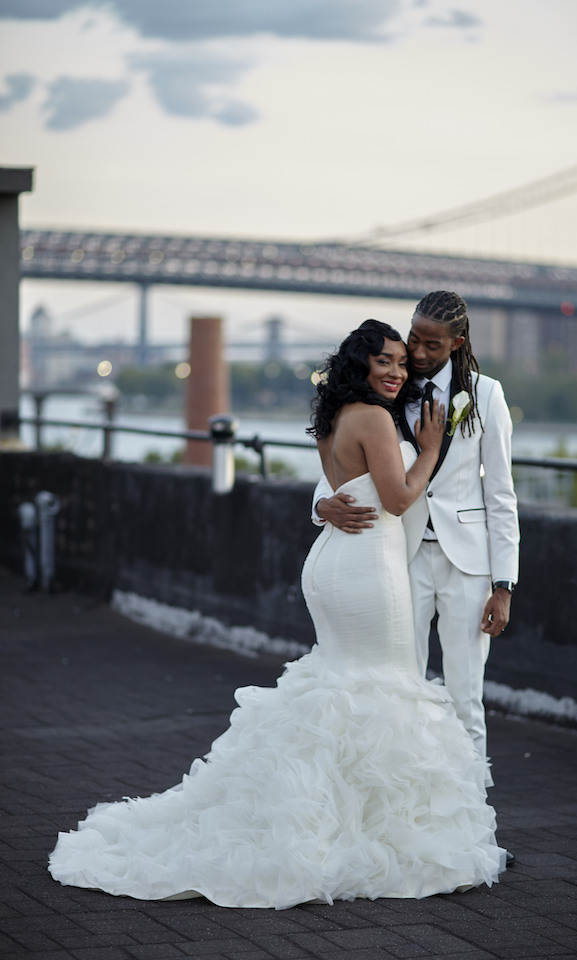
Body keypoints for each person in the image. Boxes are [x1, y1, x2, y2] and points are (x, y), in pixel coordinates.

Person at [48, 319, 506, 909]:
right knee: (385, 688)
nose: (397, 371)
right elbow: (395, 498)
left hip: (335, 562)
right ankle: (375, 834)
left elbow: (340, 483)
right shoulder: (373, 417)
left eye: (401, 361)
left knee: (345, 690)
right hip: (370, 567)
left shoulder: (335, 415)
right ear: (361, 365)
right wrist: (433, 450)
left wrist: (325, 504)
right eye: (384, 361)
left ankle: (346, 823)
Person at [313, 293, 520, 764]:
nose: (419, 354)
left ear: (457, 343)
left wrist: (504, 584)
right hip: (397, 558)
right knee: (400, 687)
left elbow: (501, 494)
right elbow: (342, 461)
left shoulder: (486, 395)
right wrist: (322, 505)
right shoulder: (387, 387)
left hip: (467, 563)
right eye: (414, 340)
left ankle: (470, 803)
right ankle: (411, 794)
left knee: (465, 697)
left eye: (433, 345)